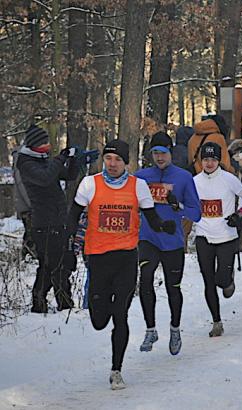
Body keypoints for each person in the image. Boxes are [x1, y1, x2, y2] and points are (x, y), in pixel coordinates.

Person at [68, 139, 177, 390]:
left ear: (125, 162)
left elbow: (151, 217)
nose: (113, 164)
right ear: (103, 160)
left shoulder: (138, 186)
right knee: (99, 320)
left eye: (118, 159)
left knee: (121, 315)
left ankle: (116, 370)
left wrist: (163, 226)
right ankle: (100, 311)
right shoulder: (90, 184)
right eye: (108, 159)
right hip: (97, 258)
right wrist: (68, 247)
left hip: (127, 257)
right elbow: (73, 215)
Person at [135, 132, 201, 355]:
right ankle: (150, 329)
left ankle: (175, 328)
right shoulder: (141, 177)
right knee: (145, 279)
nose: (159, 157)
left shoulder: (183, 177)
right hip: (148, 238)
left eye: (163, 152)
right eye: (155, 153)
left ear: (170, 152)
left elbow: (197, 213)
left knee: (174, 287)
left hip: (172, 242)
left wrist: (179, 206)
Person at [193, 142, 242, 337]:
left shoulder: (229, 180)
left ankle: (228, 281)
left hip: (227, 237)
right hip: (203, 236)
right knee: (208, 281)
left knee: (221, 279)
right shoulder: (194, 182)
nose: (209, 163)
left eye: (213, 159)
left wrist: (240, 214)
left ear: (219, 160)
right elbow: (184, 203)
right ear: (200, 161)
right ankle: (217, 321)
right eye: (205, 159)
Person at [16, 125, 80, 313]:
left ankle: (40, 303)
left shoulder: (44, 161)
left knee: (50, 265)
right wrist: (61, 158)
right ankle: (63, 305)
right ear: (34, 145)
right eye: (44, 142)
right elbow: (45, 178)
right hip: (44, 223)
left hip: (58, 221)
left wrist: (75, 160)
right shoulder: (26, 164)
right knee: (57, 266)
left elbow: (68, 175)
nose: (48, 145)